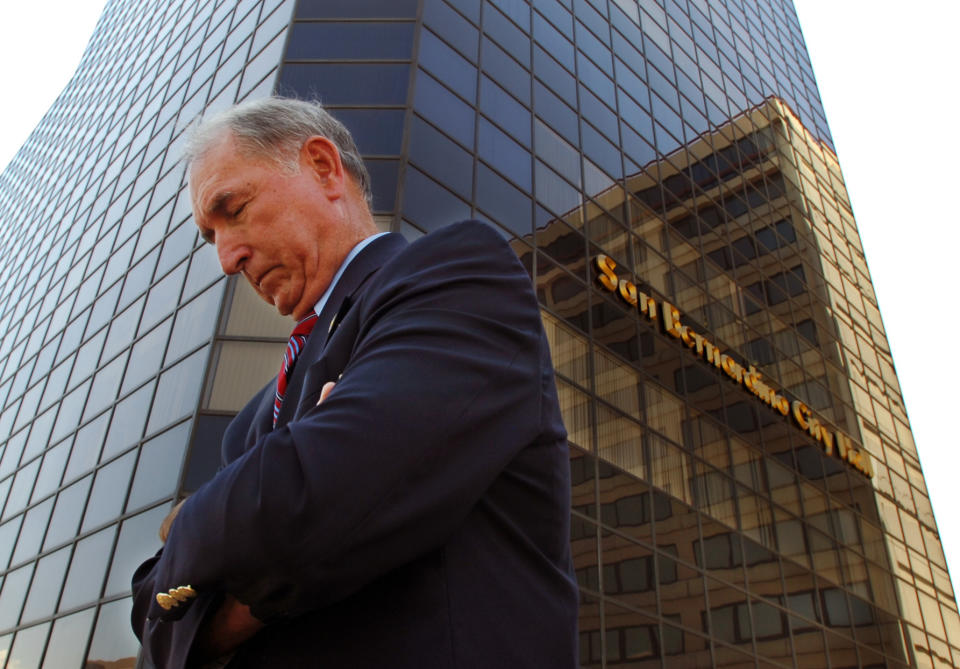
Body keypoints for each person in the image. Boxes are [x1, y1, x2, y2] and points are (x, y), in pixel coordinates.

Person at [130, 97, 578, 668]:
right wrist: (273, 502)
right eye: (209, 234)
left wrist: (189, 522)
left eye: (234, 208)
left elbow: (312, 505)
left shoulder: (459, 274)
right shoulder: (250, 425)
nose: (226, 257)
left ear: (322, 168)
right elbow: (151, 615)